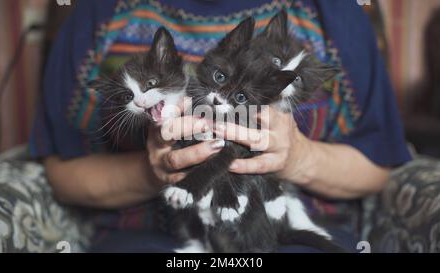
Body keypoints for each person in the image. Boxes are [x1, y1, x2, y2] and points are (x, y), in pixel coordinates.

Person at [30, 0, 411, 252]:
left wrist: (296, 157)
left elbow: (377, 168)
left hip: (281, 236)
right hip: (152, 238)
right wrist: (155, 171)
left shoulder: (334, 12)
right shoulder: (101, 11)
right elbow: (62, 175)